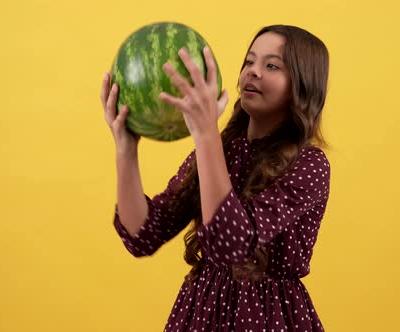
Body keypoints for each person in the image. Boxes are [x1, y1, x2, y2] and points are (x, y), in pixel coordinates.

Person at [100, 24, 331, 331]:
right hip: (201, 312)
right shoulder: (219, 150)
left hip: (269, 317)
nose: (253, 72)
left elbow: (232, 244)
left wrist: (205, 131)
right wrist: (126, 150)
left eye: (271, 65)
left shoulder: (310, 165)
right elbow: (143, 235)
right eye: (249, 62)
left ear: (302, 85)